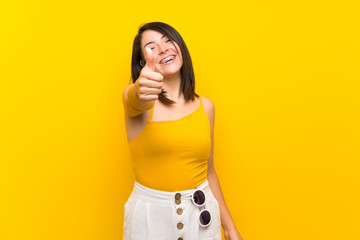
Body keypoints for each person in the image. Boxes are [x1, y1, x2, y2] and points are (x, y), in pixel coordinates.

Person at [122, 22, 244, 240]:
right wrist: (141, 89)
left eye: (168, 40)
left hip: (202, 220)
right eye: (152, 47)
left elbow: (208, 171)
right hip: (151, 222)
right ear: (142, 63)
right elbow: (134, 99)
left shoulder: (206, 107)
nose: (163, 48)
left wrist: (230, 227)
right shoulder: (139, 102)